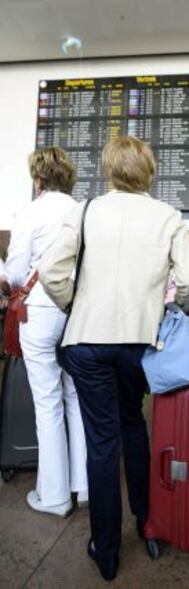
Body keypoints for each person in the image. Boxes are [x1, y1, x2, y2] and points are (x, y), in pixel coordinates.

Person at [38, 136, 189, 582]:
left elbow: (52, 271)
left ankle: (105, 550)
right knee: (134, 425)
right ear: (149, 170)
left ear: (109, 168)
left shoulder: (86, 210)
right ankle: (147, 524)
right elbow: (188, 281)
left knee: (101, 442)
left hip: (87, 341)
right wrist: (166, 309)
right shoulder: (168, 216)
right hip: (138, 344)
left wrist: (75, 303)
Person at [3, 147, 88, 516]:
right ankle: (83, 486)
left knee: (47, 402)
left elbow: (19, 271)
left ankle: (52, 496)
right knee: (75, 396)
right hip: (78, 311)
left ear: (37, 179)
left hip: (39, 310)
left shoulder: (30, 212)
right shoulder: (83, 211)